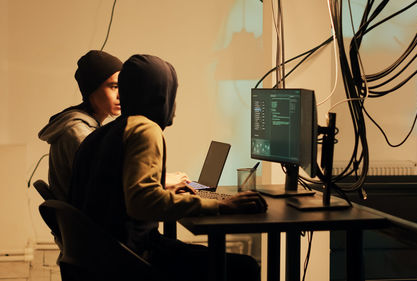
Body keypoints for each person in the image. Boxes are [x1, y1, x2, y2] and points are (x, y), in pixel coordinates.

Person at [68, 54, 267, 281]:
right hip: (131, 260)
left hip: (101, 259)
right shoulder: (145, 129)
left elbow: (119, 194)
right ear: (162, 93)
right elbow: (142, 203)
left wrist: (168, 194)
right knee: (245, 268)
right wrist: (220, 206)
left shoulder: (105, 132)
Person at [38, 50, 122, 200]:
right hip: (91, 220)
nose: (121, 94)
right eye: (114, 86)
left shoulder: (85, 127)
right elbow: (108, 182)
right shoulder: (77, 132)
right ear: (92, 90)